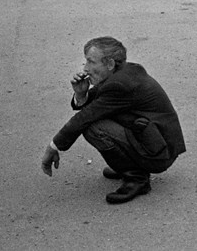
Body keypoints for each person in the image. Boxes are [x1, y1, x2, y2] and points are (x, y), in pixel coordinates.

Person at [41, 37, 186, 204]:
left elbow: (85, 117)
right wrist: (81, 95)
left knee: (92, 127)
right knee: (95, 118)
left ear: (109, 64)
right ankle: (130, 167)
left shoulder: (119, 84)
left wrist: (53, 147)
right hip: (156, 139)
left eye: (90, 62)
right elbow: (95, 105)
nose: (85, 69)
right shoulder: (123, 72)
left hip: (160, 152)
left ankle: (137, 178)